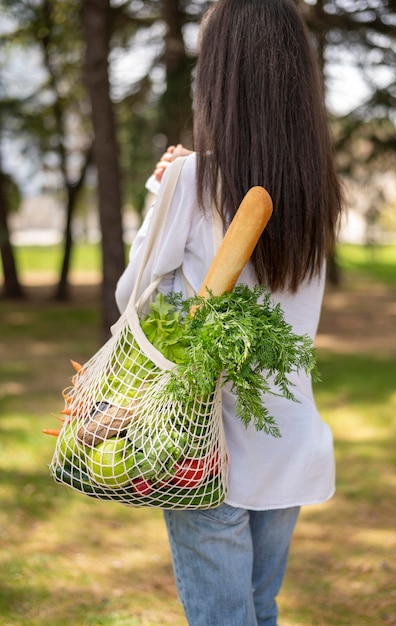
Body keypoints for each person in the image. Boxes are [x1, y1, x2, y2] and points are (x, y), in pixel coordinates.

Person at [115, 0, 343, 624]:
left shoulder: (192, 181)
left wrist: (158, 196)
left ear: (219, 77)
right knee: (258, 612)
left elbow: (131, 300)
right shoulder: (319, 190)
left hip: (202, 447)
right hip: (289, 443)